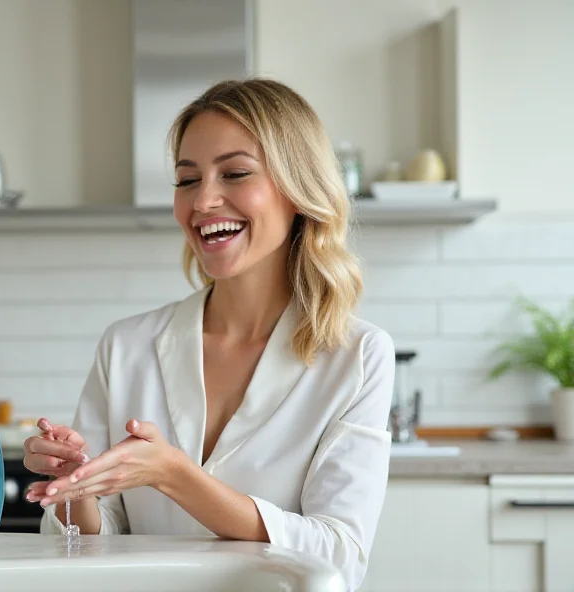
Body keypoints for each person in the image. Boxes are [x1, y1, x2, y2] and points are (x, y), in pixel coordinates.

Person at [23, 78, 395, 590]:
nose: (204, 201)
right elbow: (90, 546)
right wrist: (77, 486)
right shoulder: (126, 347)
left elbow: (341, 557)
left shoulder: (357, 356)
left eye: (236, 173)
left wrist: (176, 477)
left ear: (298, 189)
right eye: (187, 180)